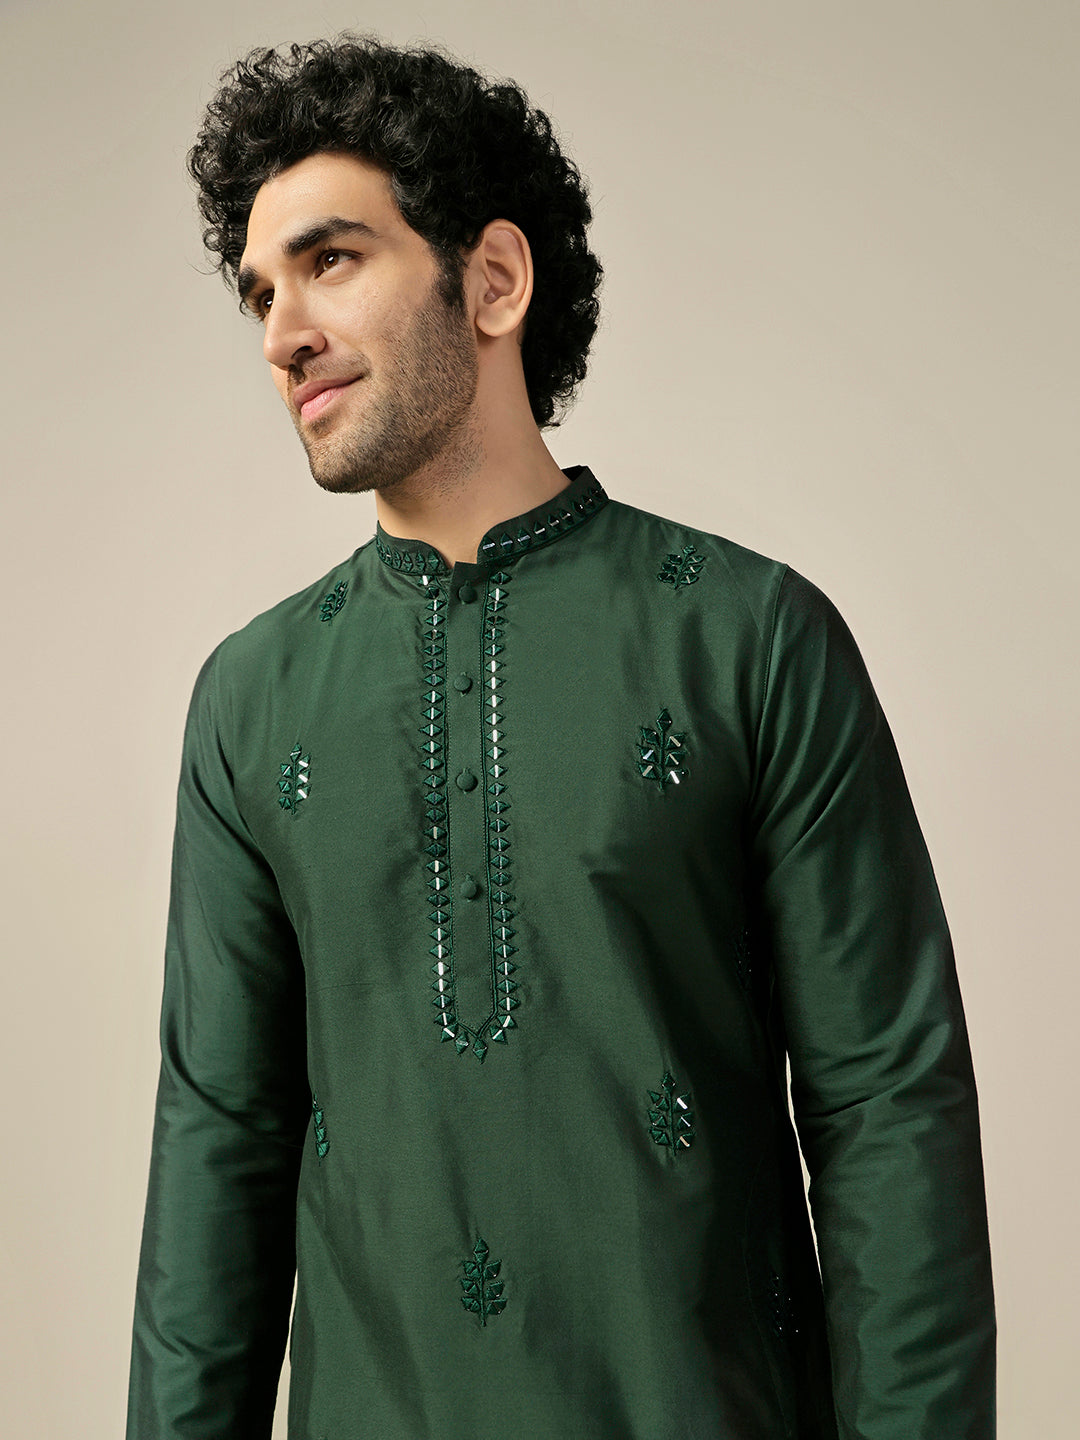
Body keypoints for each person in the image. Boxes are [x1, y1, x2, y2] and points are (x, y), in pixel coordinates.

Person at [126, 34, 995, 1440]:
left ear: (493, 281)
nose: (282, 331)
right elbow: (216, 1151)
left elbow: (891, 1113)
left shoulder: (751, 639)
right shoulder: (251, 700)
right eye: (261, 292)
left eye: (332, 260)